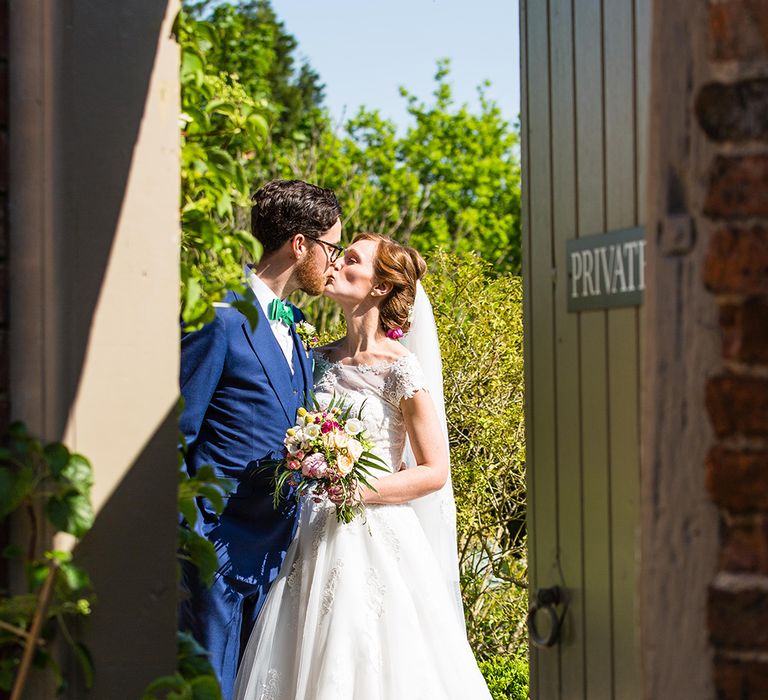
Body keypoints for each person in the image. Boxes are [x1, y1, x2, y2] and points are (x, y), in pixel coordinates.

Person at [233, 233, 492, 699]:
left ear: (379, 287)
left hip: (374, 536)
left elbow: (434, 470)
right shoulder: (313, 360)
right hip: (305, 531)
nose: (335, 263)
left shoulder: (402, 370)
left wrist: (358, 488)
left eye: (352, 260)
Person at [178, 179, 343, 700]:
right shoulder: (220, 316)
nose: (333, 261)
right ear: (301, 244)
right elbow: (174, 432)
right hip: (218, 553)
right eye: (332, 247)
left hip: (276, 556)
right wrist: (193, 538)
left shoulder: (295, 328)